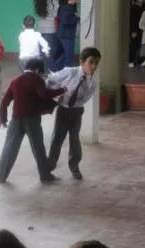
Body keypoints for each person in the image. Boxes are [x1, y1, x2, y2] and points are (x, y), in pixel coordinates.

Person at [0, 57, 64, 184]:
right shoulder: (36, 79)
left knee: (10, 148)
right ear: (37, 70)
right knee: (38, 148)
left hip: (16, 120)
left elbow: (4, 102)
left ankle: (1, 176)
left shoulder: (15, 81)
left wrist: (3, 119)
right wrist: (61, 90)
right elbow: (44, 94)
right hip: (32, 120)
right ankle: (45, 175)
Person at [47, 46, 101, 180]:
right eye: (91, 62)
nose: (94, 66)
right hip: (63, 110)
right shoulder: (69, 72)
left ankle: (74, 166)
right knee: (57, 138)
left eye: (96, 63)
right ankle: (49, 167)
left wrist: (74, 103)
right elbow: (51, 80)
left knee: (74, 138)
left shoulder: (92, 83)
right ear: (82, 62)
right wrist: (56, 94)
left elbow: (83, 100)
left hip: (77, 111)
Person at [34, 0, 61, 70]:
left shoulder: (38, 2)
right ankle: (52, 72)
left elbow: (38, 14)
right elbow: (56, 14)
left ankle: (44, 71)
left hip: (40, 29)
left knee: (44, 53)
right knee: (51, 53)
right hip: (50, 30)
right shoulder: (54, 1)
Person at [56, 0, 79, 71]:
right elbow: (66, 20)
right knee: (69, 57)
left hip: (63, 34)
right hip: (67, 35)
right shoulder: (67, 7)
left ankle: (55, 69)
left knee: (65, 55)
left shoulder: (64, 6)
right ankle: (67, 75)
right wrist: (78, 19)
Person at [129, 0, 145, 67]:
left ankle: (140, 60)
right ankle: (130, 60)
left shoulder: (144, 7)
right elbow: (133, 20)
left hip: (142, 29)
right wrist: (134, 30)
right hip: (135, 29)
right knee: (134, 45)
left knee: (141, 45)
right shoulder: (134, 8)